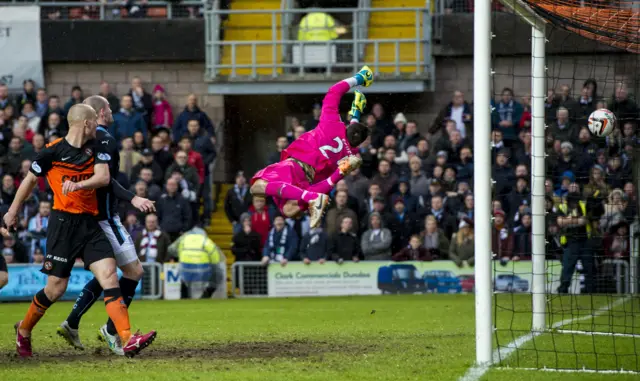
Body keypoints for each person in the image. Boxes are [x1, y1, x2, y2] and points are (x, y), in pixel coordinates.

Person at [2, 104, 155, 358]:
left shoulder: (97, 147)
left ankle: (127, 338)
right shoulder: (52, 151)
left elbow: (105, 178)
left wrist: (78, 185)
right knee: (55, 288)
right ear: (85, 123)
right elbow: (30, 180)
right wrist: (12, 211)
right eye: (95, 120)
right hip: (63, 225)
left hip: (91, 223)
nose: (98, 125)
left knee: (109, 275)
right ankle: (25, 330)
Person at [56, 95, 157, 356]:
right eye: (110, 108)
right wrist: (133, 197)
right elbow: (105, 180)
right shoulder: (105, 140)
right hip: (105, 218)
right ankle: (112, 330)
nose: (112, 112)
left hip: (85, 217)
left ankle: (73, 321)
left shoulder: (83, 140)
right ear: (101, 113)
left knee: (106, 275)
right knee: (133, 272)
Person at [250, 66, 374, 228]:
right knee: (288, 210)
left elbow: (334, 91)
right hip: (310, 180)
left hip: (296, 166)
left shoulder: (332, 123)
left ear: (346, 126)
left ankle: (310, 197)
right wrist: (356, 115)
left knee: (257, 187)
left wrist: (359, 78)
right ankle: (311, 196)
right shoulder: (350, 155)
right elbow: (352, 137)